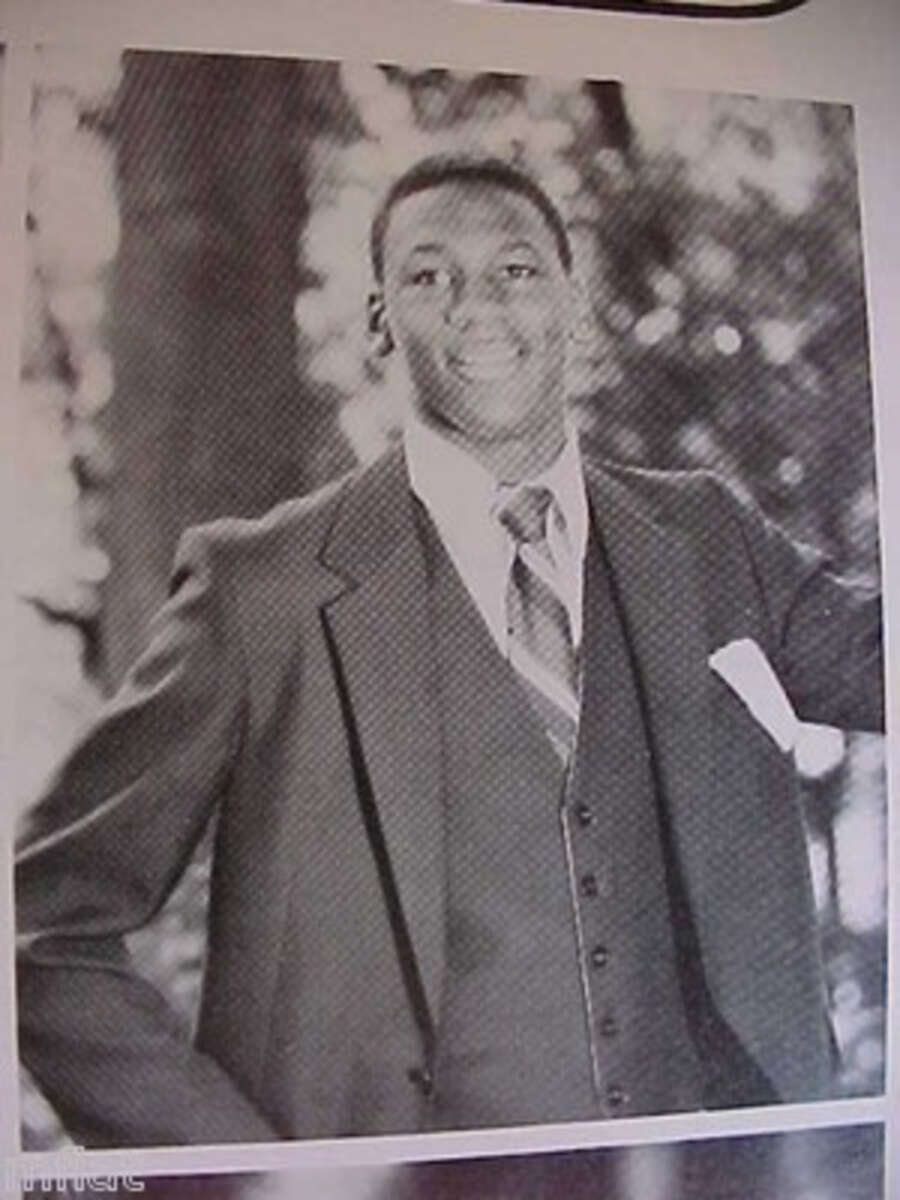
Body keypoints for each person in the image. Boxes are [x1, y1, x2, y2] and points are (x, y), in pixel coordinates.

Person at [16, 154, 883, 1147]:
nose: (479, 305)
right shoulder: (260, 592)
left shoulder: (707, 539)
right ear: (381, 320)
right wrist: (238, 1172)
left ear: (574, 304)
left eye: (516, 269)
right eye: (430, 276)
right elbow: (41, 927)